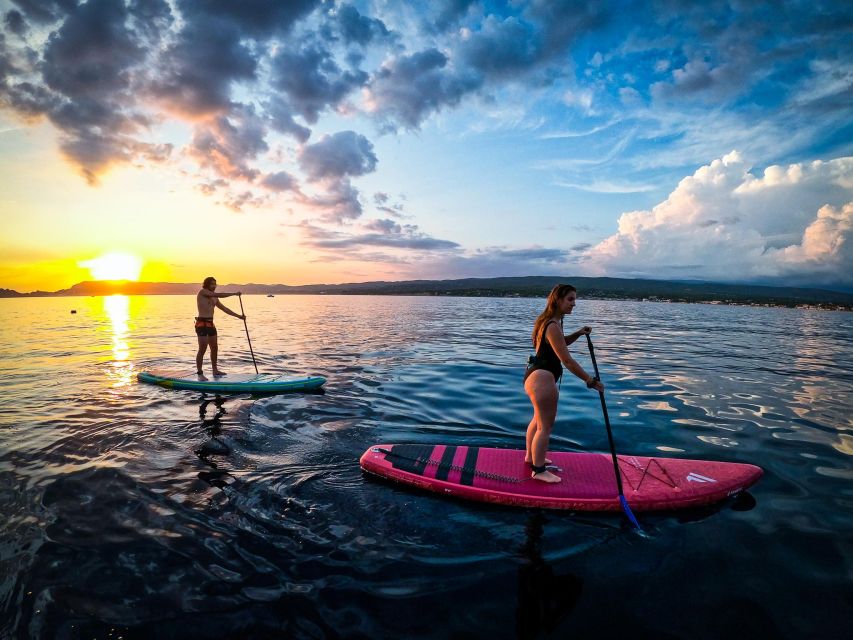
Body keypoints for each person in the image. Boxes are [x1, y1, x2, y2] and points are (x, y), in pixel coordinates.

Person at [524, 284, 604, 483]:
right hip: (542, 379)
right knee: (545, 427)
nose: (574, 304)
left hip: (535, 376)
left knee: (537, 420)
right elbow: (566, 360)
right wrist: (590, 380)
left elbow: (558, 343)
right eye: (570, 299)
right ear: (557, 300)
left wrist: (577, 333)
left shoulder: (548, 322)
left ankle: (531, 457)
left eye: (574, 299)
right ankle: (539, 470)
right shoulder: (552, 324)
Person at [195, 277, 244, 379]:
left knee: (214, 348)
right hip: (201, 323)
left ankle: (215, 370)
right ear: (207, 285)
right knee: (202, 348)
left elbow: (225, 309)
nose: (214, 286)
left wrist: (239, 316)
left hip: (210, 324)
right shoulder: (203, 292)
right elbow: (219, 295)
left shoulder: (214, 298)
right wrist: (234, 294)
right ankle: (200, 374)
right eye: (212, 284)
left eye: (215, 284)